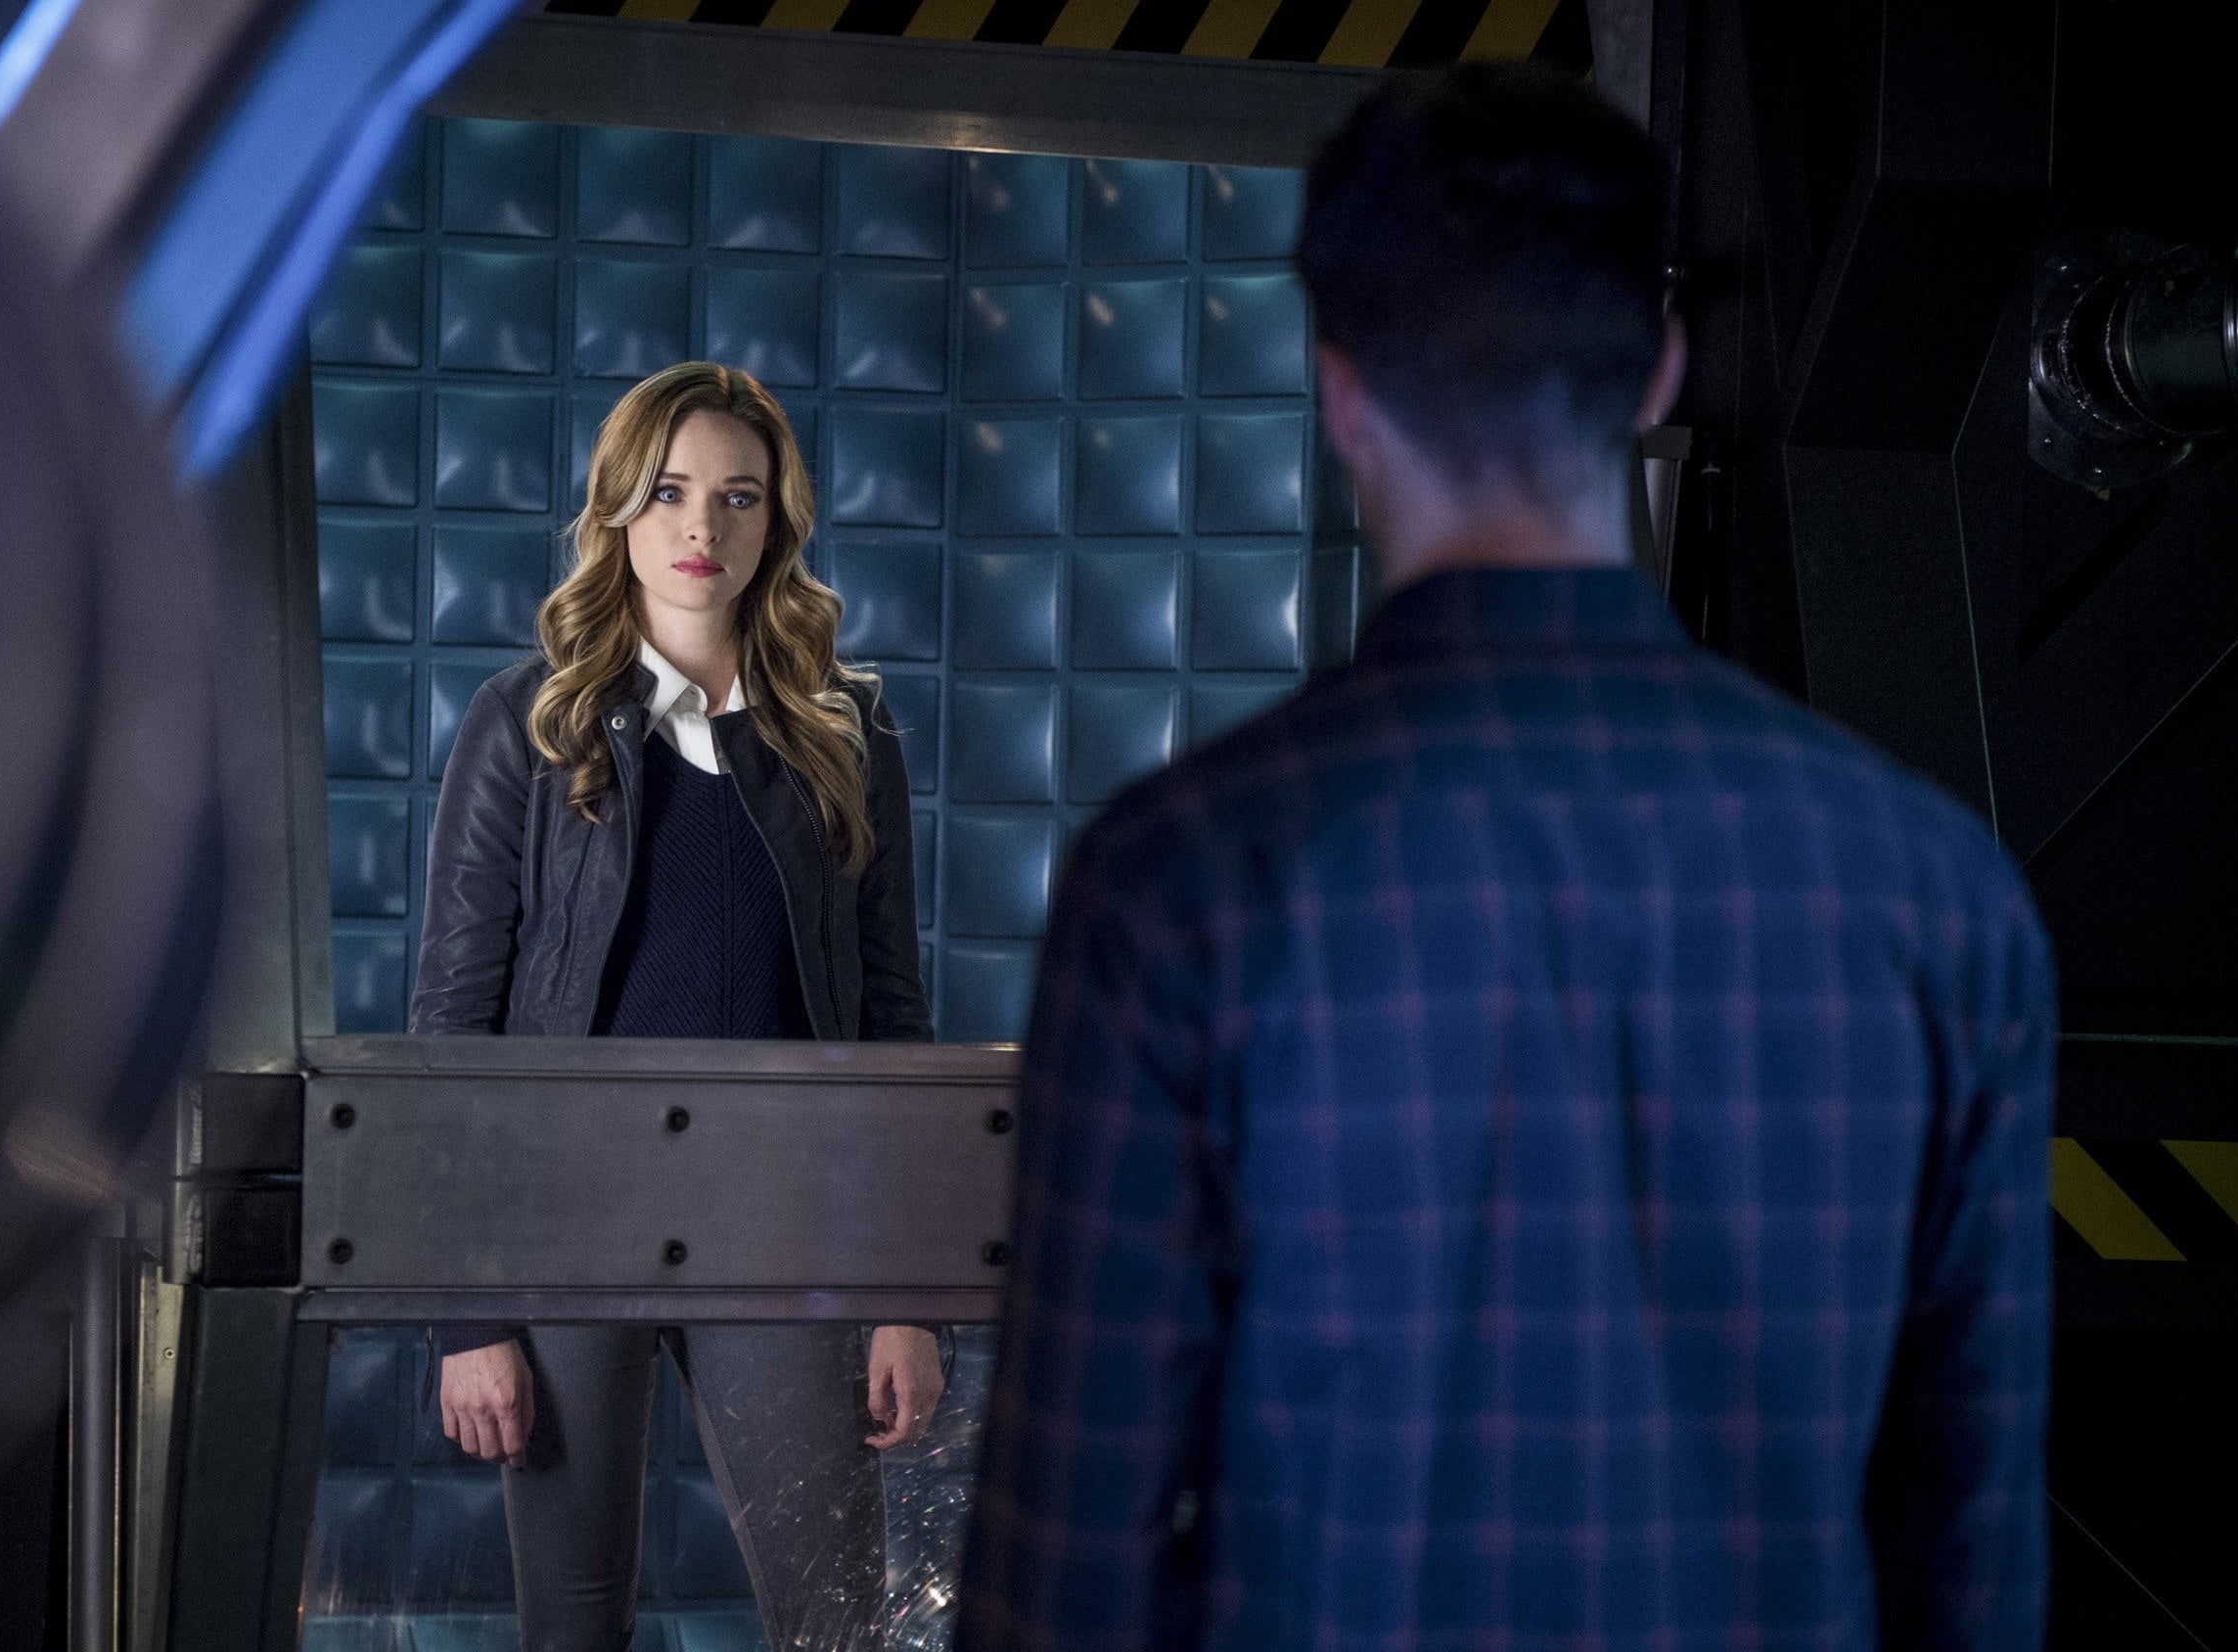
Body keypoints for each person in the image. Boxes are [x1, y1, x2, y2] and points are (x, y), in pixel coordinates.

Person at [958, 65, 2055, 1652]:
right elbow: (1978, 1556)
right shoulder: (1941, 893)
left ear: (1341, 388)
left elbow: (1067, 1565)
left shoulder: (1183, 881)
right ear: (1659, 371)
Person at [410, 361, 941, 1651]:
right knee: (573, 1624)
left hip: (780, 1221)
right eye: (669, 492)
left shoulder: (849, 730)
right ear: (618, 510)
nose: (703, 527)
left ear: (777, 520)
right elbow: (451, 1031)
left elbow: (892, 1023)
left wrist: (908, 1294)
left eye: (737, 496)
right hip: (570, 1221)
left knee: (837, 1626)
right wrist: (467, 1317)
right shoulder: (525, 723)